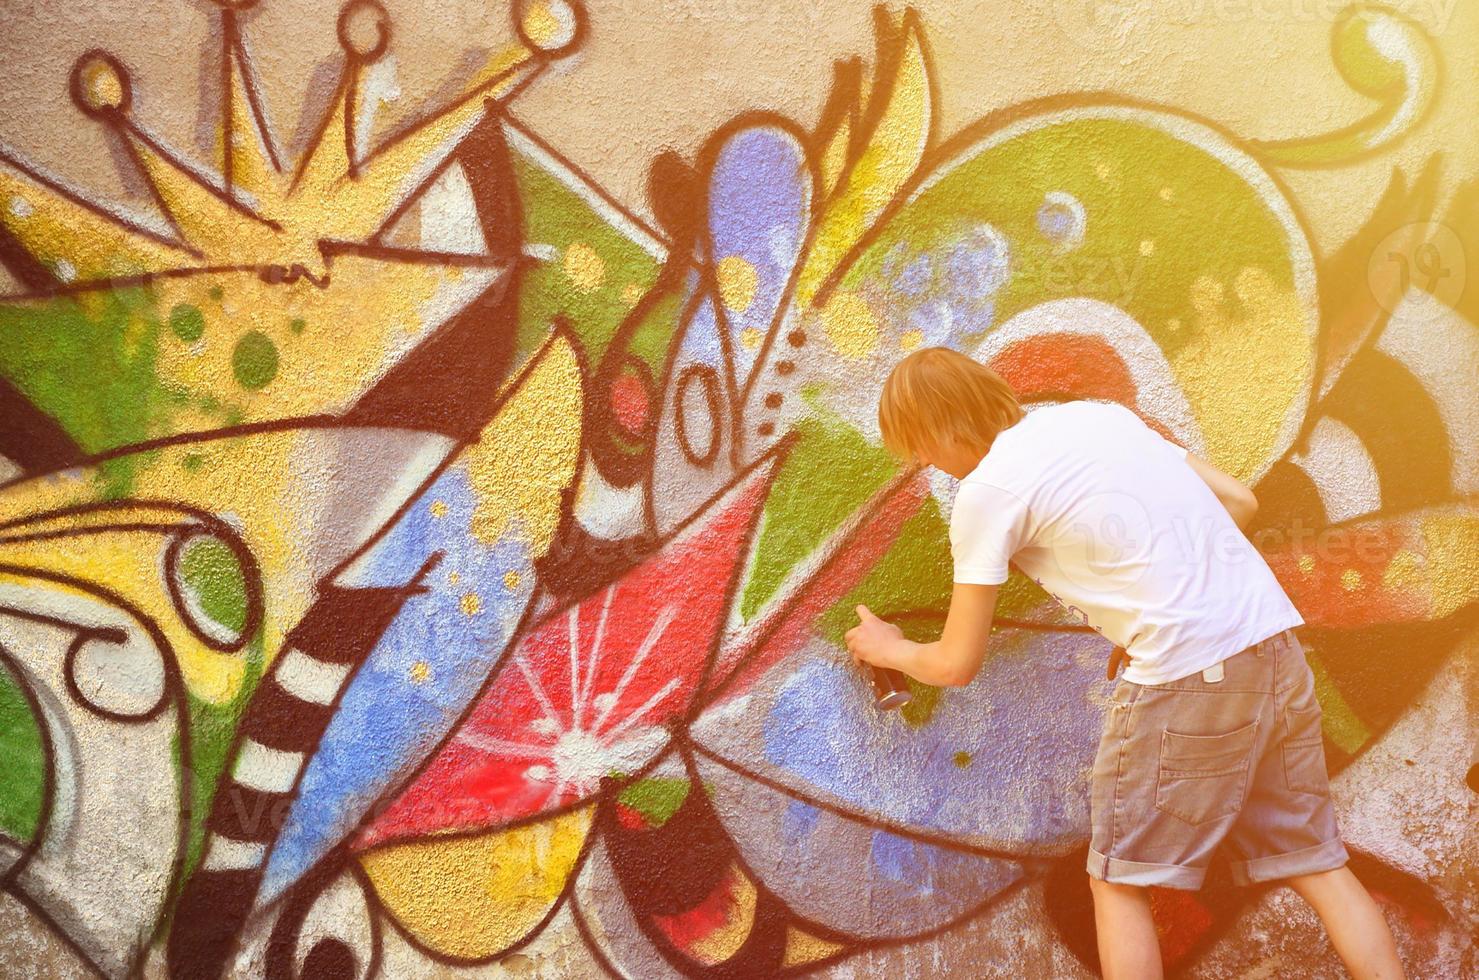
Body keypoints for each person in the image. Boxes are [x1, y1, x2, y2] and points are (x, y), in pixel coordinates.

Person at [844, 346, 1405, 980]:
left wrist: (888, 649)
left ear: (945, 427)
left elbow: (954, 663)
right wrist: (1163, 600)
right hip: (1271, 647)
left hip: (1185, 675)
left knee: (1118, 883)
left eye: (919, 446)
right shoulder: (1100, 417)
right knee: (1314, 860)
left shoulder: (987, 493)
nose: (927, 463)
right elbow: (1240, 502)